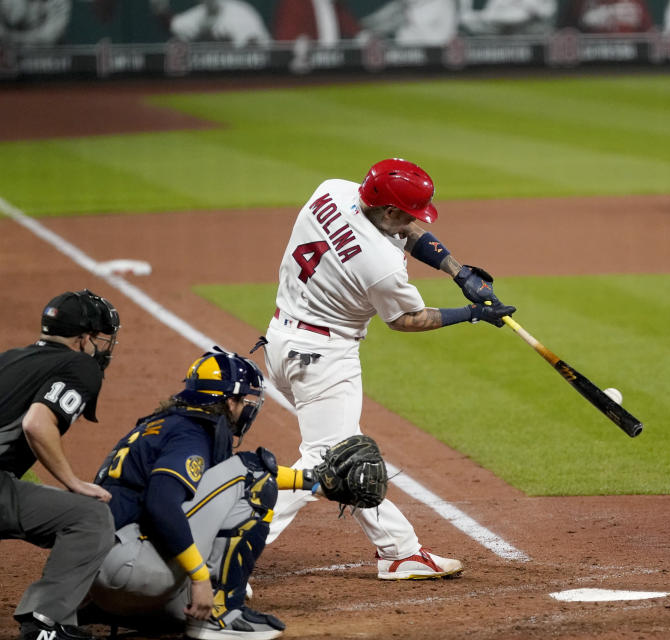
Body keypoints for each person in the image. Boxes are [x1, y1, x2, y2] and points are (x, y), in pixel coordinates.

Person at [259, 157, 516, 580]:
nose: (412, 221)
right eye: (407, 214)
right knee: (328, 463)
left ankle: (399, 550)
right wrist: (471, 313)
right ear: (390, 211)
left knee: (348, 453)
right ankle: (230, 544)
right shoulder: (380, 265)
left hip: (281, 341)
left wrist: (458, 270)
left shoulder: (334, 189)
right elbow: (407, 320)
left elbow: (401, 227)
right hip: (323, 359)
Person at [87, 348, 387, 639]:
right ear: (229, 401)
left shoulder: (165, 425)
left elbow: (219, 478)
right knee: (254, 479)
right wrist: (200, 577)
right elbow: (162, 503)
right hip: (132, 571)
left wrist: (314, 483)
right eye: (245, 399)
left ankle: (127, 609)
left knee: (246, 474)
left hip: (97, 580)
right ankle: (224, 612)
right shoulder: (189, 435)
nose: (248, 407)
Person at [0, 289, 121, 640]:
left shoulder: (9, 359)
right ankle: (46, 622)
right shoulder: (79, 365)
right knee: (90, 517)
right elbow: (37, 424)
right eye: (97, 338)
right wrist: (73, 482)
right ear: (83, 338)